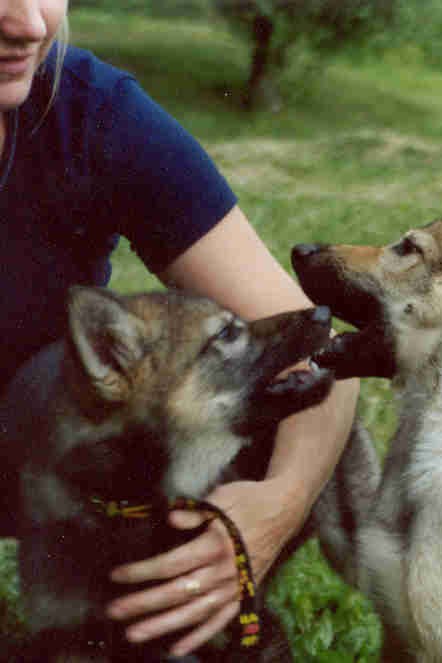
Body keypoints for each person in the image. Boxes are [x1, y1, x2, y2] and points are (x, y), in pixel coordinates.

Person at [0, 1, 358, 657]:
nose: (29, 24)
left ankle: (197, 617)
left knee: (244, 385)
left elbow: (312, 350)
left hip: (60, 455)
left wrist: (272, 510)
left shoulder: (93, 115)